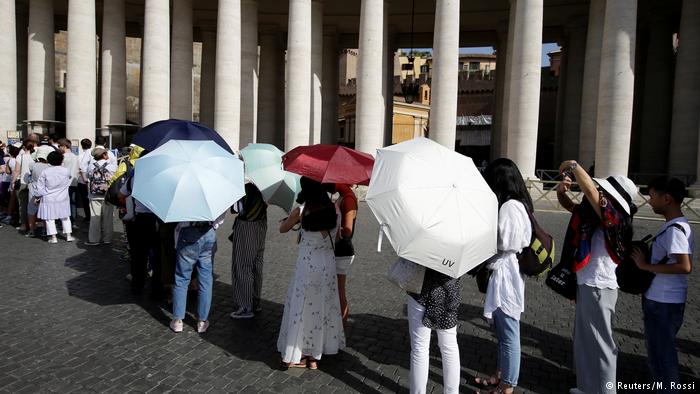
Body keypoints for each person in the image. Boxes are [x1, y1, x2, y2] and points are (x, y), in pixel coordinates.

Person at [556, 160, 638, 394]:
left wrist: (572, 165)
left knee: (602, 345)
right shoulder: (600, 215)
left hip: (599, 283)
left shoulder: (615, 216)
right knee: (585, 341)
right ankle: (587, 387)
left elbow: (591, 191)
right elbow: (574, 208)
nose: (600, 193)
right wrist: (562, 194)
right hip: (588, 281)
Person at [474, 158, 533, 394]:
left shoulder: (510, 207)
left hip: (506, 274)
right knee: (503, 331)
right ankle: (501, 376)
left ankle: (507, 386)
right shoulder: (517, 204)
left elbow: (505, 241)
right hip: (506, 272)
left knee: (508, 333)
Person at [630, 177, 693, 394]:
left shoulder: (676, 230)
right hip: (660, 298)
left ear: (667, 199)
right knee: (657, 353)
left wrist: (645, 265)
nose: (650, 201)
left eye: (653, 196)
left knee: (663, 356)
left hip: (665, 300)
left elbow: (684, 266)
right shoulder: (674, 226)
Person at [277, 177, 345, 369]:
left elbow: (282, 229)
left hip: (307, 264)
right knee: (321, 305)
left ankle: (297, 353)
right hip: (326, 264)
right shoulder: (334, 209)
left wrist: (290, 220)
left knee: (302, 306)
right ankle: (314, 357)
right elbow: (338, 237)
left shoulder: (302, 209)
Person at [169, 213, 225, 334]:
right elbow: (221, 217)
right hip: (208, 231)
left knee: (182, 278)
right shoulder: (212, 194)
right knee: (205, 278)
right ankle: (202, 321)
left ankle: (178, 320)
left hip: (188, 231)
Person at [230, 182, 268, 319]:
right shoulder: (264, 186)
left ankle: (246, 306)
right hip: (261, 224)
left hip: (247, 227)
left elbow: (236, 208)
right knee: (257, 265)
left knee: (243, 266)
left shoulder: (244, 188)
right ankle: (255, 301)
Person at [35, 151, 74, 243]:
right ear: (61, 160)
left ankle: (53, 237)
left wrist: (38, 196)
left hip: (49, 197)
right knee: (65, 217)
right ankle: (68, 236)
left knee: (49, 218)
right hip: (63, 197)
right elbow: (69, 179)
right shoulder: (66, 170)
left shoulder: (45, 171)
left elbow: (40, 186)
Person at [333, 184, 358, 325]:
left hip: (342, 250)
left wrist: (329, 226)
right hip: (339, 249)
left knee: (339, 291)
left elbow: (347, 230)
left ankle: (341, 329)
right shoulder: (342, 197)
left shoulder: (348, 199)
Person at [86, 147, 117, 245]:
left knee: (94, 217)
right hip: (108, 195)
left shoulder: (91, 166)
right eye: (106, 153)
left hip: (94, 195)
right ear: (103, 155)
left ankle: (94, 239)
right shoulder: (112, 166)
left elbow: (87, 176)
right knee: (108, 218)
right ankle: (107, 239)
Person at [25, 145, 54, 238]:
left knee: (31, 211)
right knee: (46, 210)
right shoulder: (49, 166)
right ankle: (45, 230)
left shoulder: (32, 165)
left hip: (33, 189)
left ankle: (32, 230)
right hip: (45, 190)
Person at [12, 140, 35, 234]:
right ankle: (32, 224)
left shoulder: (20, 157)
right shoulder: (34, 157)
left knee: (22, 204)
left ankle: (23, 225)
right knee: (31, 204)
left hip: (22, 182)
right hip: (32, 183)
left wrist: (13, 181)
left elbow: (17, 171)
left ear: (24, 147)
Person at [57, 139, 80, 222]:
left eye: (59, 146)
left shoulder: (63, 157)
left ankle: (64, 220)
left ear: (64, 146)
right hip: (74, 182)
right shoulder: (76, 156)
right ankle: (73, 220)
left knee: (63, 202)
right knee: (73, 202)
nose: (58, 147)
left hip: (64, 183)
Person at [77, 138, 93, 221]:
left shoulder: (80, 156)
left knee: (85, 200)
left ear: (81, 145)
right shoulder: (94, 153)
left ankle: (88, 216)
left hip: (82, 180)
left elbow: (80, 168)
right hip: (93, 180)